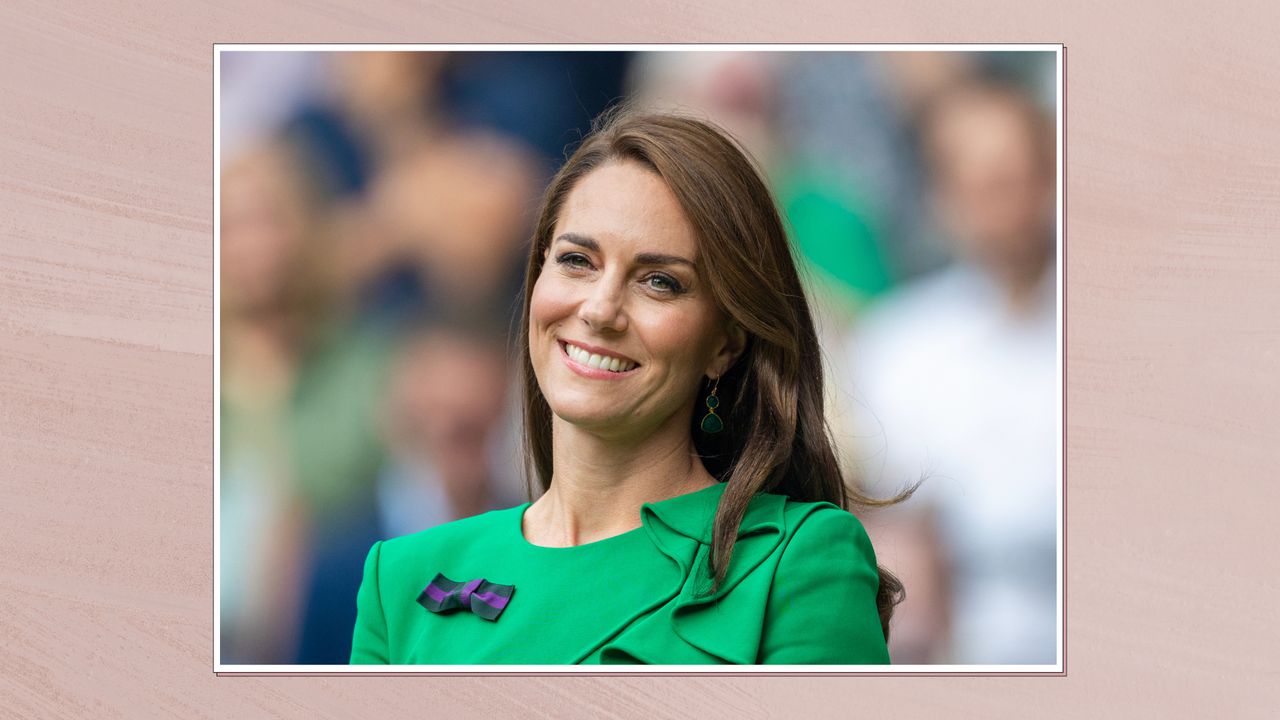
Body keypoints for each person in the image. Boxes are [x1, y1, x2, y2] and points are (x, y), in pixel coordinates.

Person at [349, 108, 909, 665]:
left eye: (659, 282)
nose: (600, 309)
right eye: (576, 261)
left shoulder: (800, 562)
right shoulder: (398, 579)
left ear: (726, 343)